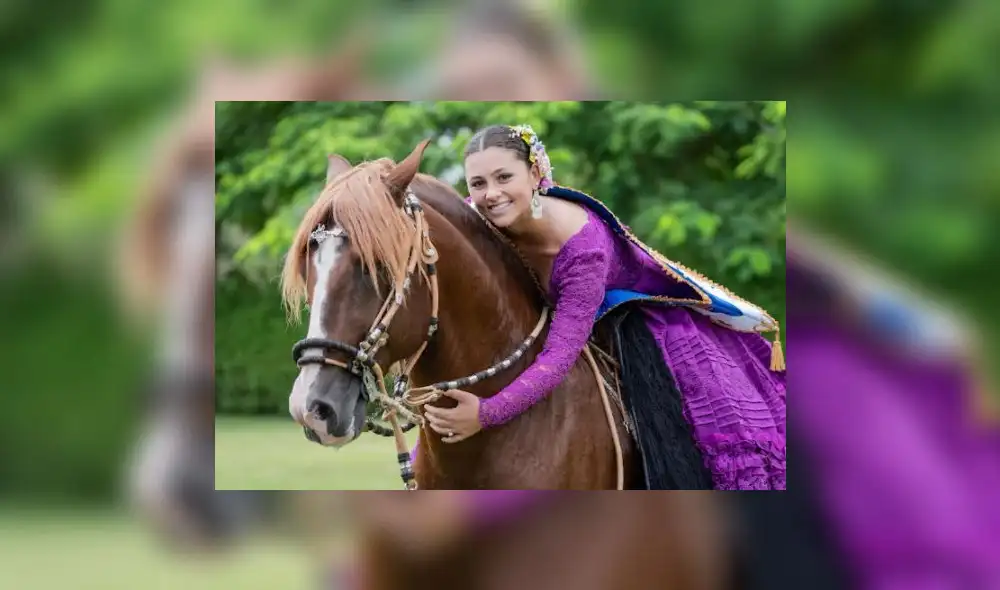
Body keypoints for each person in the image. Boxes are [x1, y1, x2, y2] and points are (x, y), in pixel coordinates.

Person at [421, 124, 786, 490]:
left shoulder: (583, 248)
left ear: (534, 174)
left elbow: (558, 359)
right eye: (478, 183)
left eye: (504, 177)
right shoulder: (478, 218)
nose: (491, 194)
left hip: (631, 328)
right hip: (545, 318)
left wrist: (486, 415)